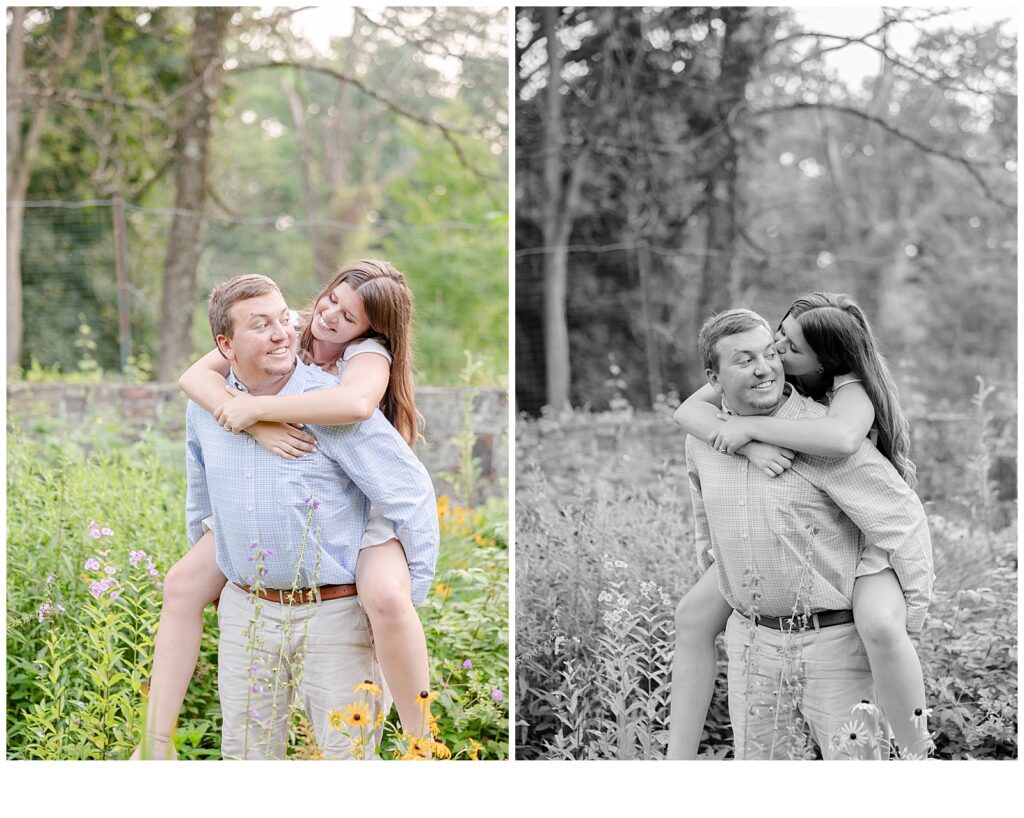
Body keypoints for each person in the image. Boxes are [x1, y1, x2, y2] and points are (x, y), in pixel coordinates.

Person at [134, 265, 437, 759]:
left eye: (349, 315)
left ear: (370, 328)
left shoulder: (363, 359)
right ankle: (154, 745)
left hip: (364, 511)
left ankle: (422, 741)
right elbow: (193, 384)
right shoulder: (289, 326)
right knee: (183, 584)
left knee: (387, 597)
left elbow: (358, 406)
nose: (328, 317)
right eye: (331, 301)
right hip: (255, 558)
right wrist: (251, 419)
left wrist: (261, 412)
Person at [676, 308, 932, 759]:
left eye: (773, 353)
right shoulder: (703, 438)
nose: (765, 367)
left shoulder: (825, 429)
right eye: (745, 359)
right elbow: (707, 522)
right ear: (714, 378)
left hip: (833, 647)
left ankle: (920, 761)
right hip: (753, 646)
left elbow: (901, 517)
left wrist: (901, 614)